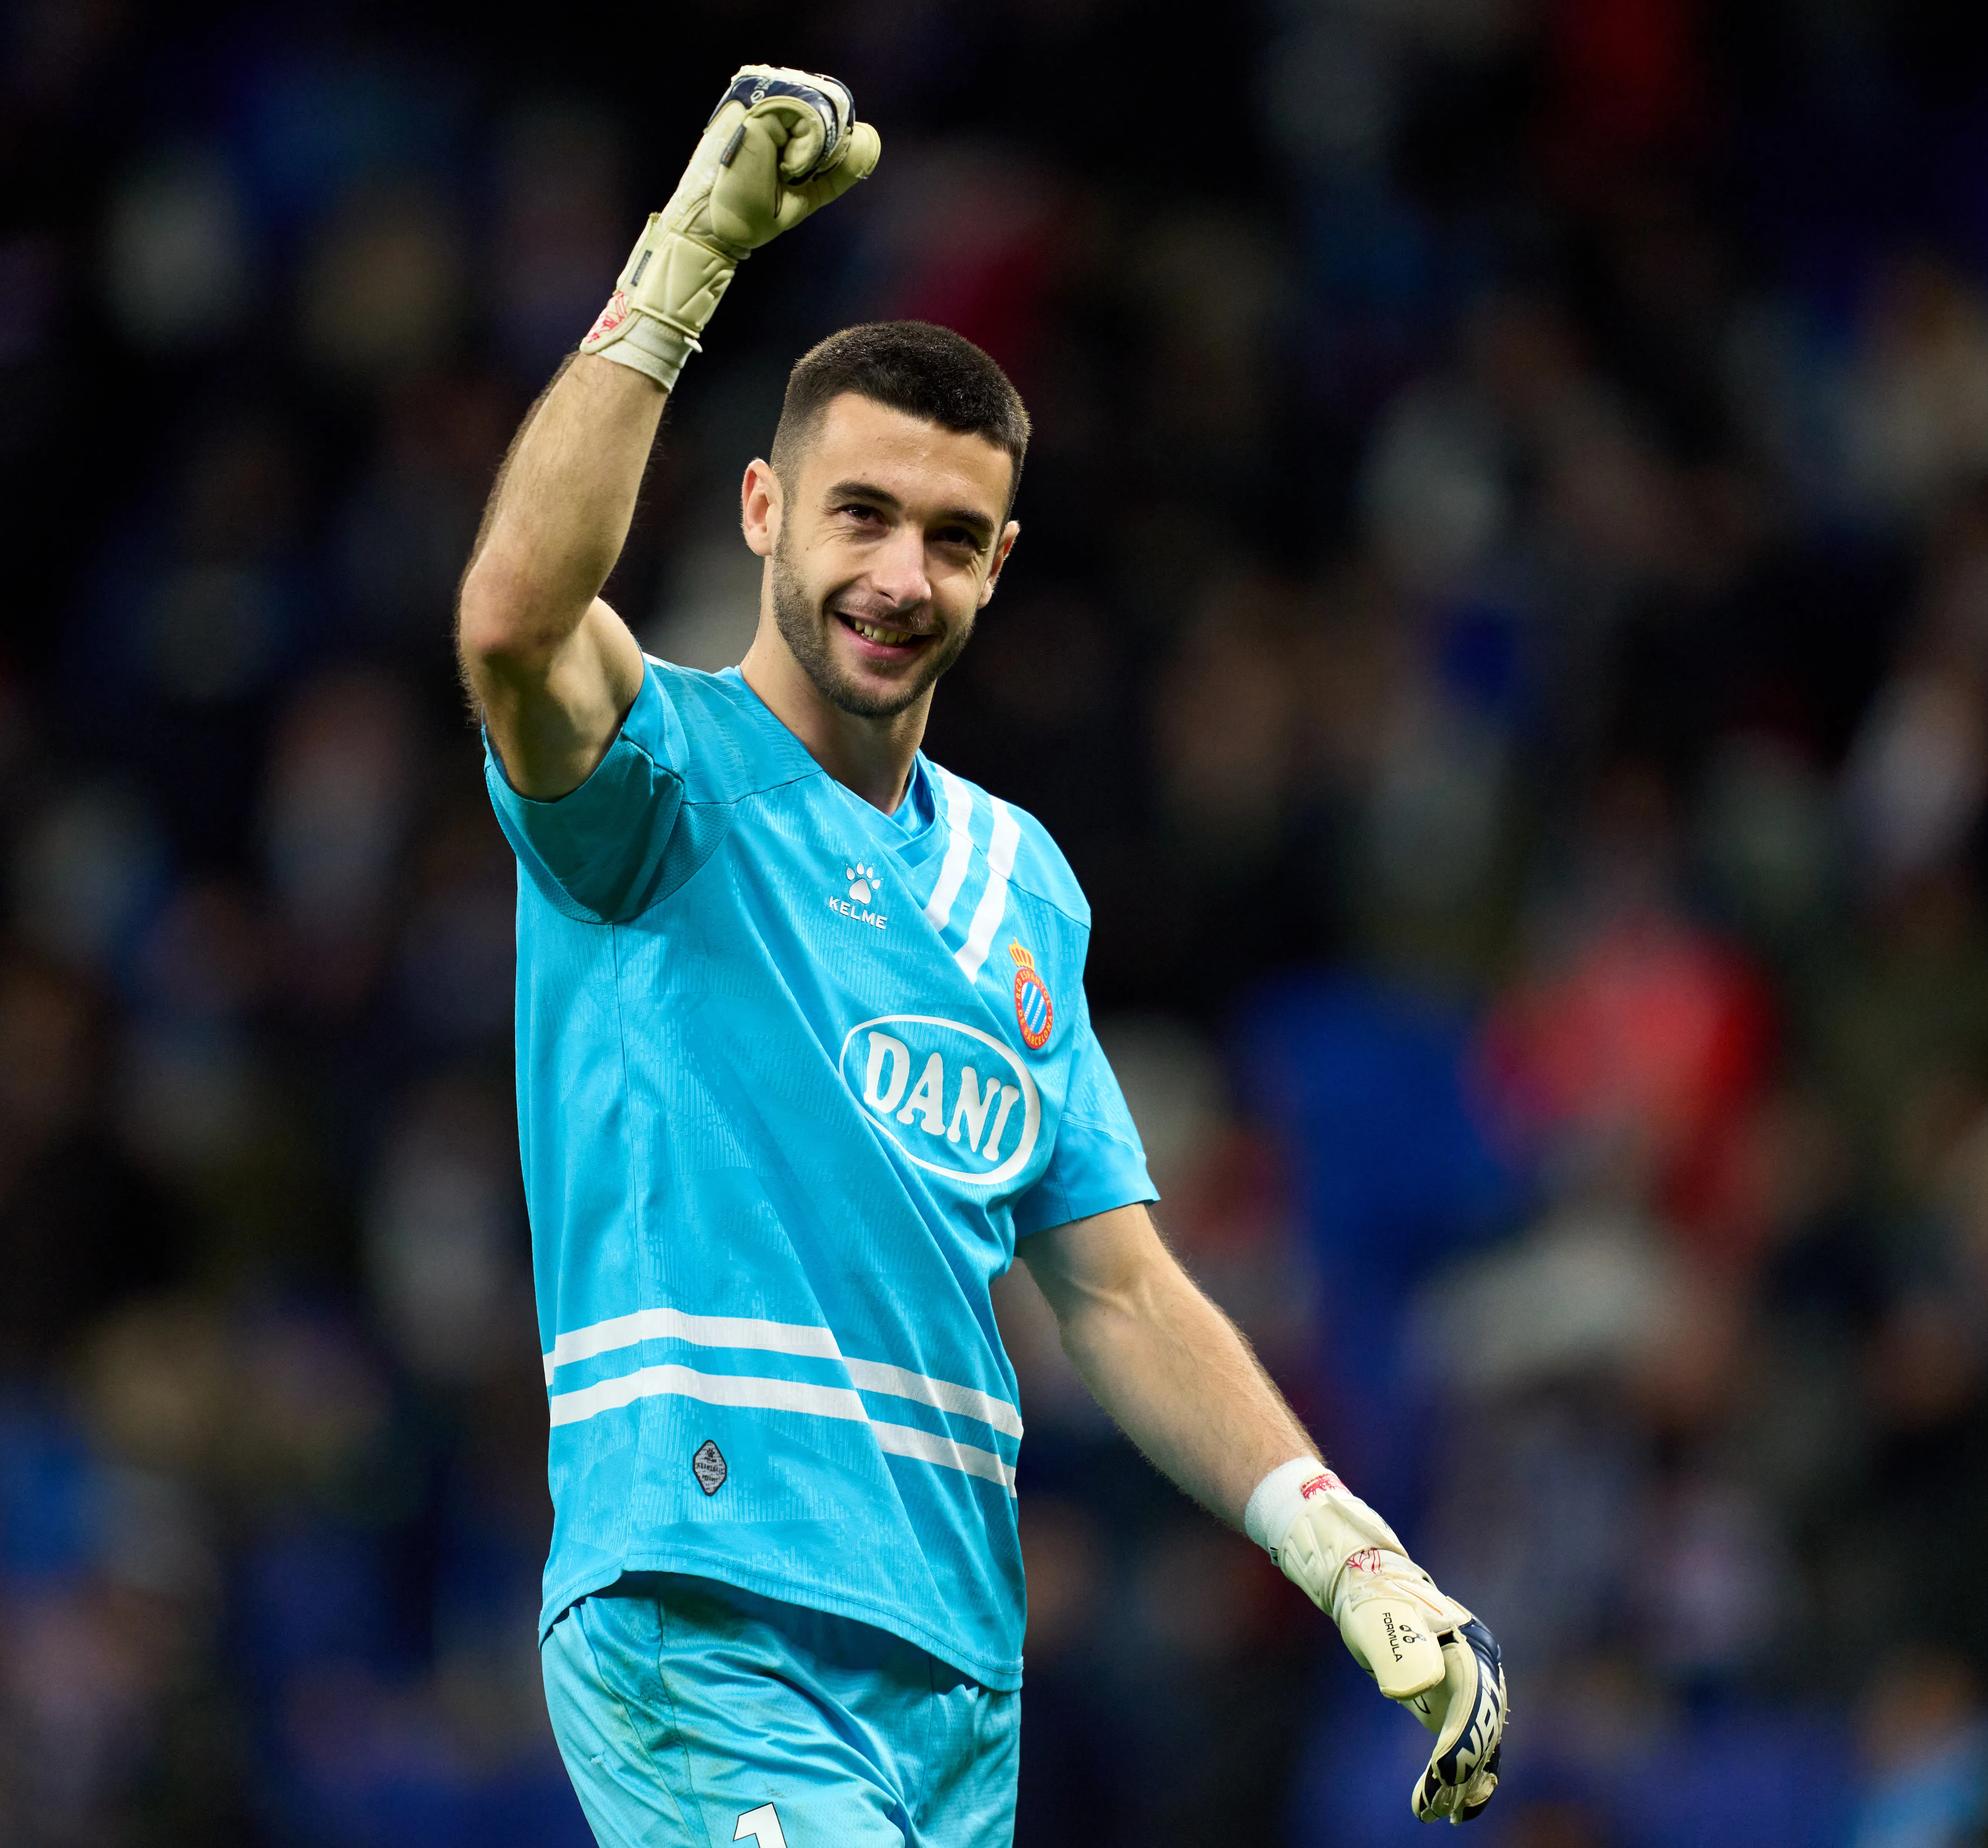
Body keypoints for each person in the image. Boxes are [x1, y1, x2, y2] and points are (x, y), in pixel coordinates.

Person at [456, 65, 1505, 1846]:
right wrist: (688, 261)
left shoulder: (1022, 885)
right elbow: (512, 620)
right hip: (710, 1616)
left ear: (1002, 564)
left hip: (950, 1671)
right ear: (766, 512)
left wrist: (1345, 1547)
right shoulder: (664, 780)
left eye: (952, 538)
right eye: (860, 515)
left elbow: (1117, 1288)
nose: (900, 575)